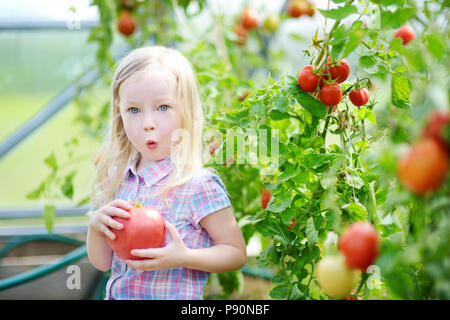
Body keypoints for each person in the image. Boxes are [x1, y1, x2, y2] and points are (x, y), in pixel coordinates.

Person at [86, 46, 247, 300]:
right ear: (120, 114)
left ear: (187, 110)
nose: (148, 122)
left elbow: (235, 253)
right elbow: (104, 263)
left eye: (162, 107)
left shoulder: (197, 184)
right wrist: (95, 228)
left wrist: (183, 257)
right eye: (134, 110)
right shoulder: (119, 178)